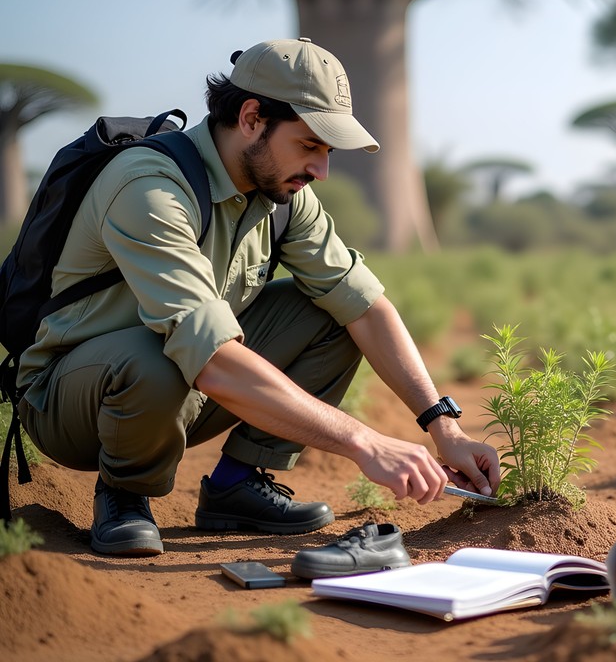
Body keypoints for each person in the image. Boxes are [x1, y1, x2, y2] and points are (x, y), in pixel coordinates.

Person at [14, 38, 500, 556]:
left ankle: (236, 487)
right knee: (156, 354)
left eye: (328, 151)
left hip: (188, 383)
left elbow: (365, 305)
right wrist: (366, 442)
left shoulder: (285, 196)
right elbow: (212, 360)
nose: (321, 170)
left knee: (333, 314)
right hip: (72, 399)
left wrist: (442, 426)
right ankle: (124, 494)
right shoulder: (149, 187)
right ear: (251, 118)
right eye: (310, 144)